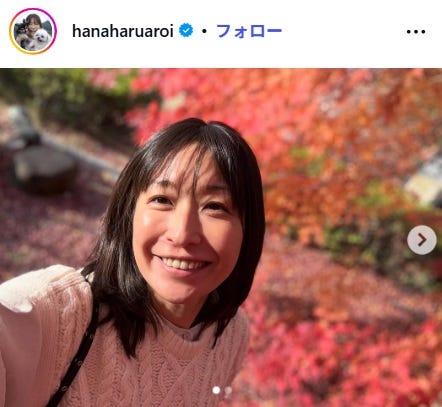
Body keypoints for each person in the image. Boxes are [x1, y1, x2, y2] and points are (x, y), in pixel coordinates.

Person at [0, 118, 265, 406]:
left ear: (248, 229)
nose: (182, 234)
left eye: (214, 206)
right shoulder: (59, 316)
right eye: (162, 199)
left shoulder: (230, 336)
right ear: (129, 213)